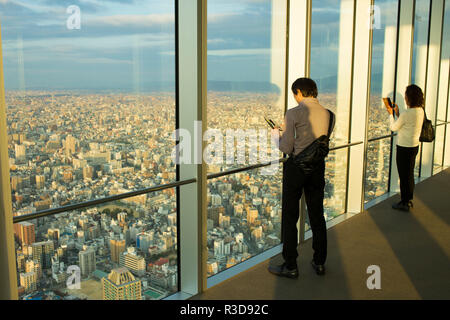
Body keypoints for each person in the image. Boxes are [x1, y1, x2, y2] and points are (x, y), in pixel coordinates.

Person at [268, 78, 334, 279]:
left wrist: (275, 134)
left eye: (294, 94)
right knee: (317, 215)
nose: (294, 98)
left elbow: (287, 148)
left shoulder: (293, 113)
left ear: (298, 92)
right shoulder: (330, 114)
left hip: (296, 170)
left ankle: (291, 265)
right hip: (317, 168)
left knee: (290, 217)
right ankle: (319, 261)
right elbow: (316, 141)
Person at [384, 84, 425, 212]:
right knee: (409, 174)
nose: (405, 98)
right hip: (414, 146)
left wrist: (391, 114)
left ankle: (404, 202)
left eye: (406, 95)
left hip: (403, 148)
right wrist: (398, 113)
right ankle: (409, 199)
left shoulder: (407, 113)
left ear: (409, 98)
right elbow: (408, 124)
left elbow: (394, 127)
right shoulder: (420, 111)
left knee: (403, 175)